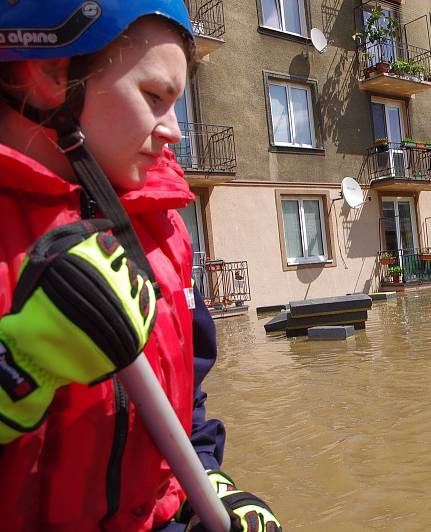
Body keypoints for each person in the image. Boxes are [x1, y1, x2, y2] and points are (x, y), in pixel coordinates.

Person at [0, 2, 281, 530]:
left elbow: (185, 404)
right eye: (154, 97)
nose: (175, 131)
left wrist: (209, 491)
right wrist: (18, 366)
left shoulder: (162, 226)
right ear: (50, 76)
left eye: (178, 103)